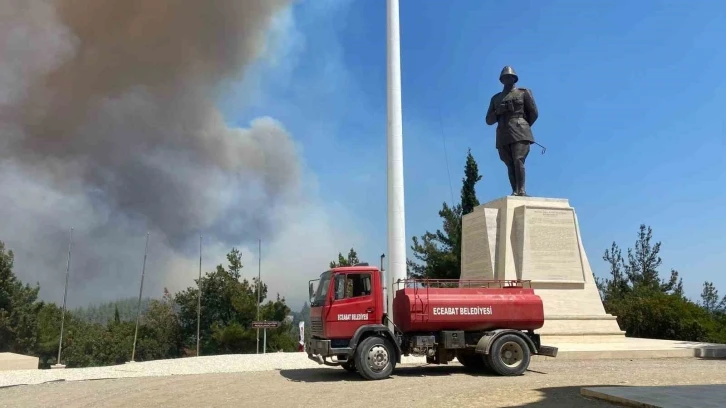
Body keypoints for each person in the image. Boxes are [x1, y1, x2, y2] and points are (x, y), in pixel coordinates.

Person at [485, 66, 539, 196]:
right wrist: (499, 111)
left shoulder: (523, 92)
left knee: (518, 159)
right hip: (503, 132)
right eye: (504, 77)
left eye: (509, 76)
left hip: (520, 130)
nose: (507, 79)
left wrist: (523, 124)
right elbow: (488, 120)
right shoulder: (496, 98)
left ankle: (521, 190)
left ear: (514, 78)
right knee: (509, 163)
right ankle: (515, 190)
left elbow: (534, 113)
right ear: (501, 80)